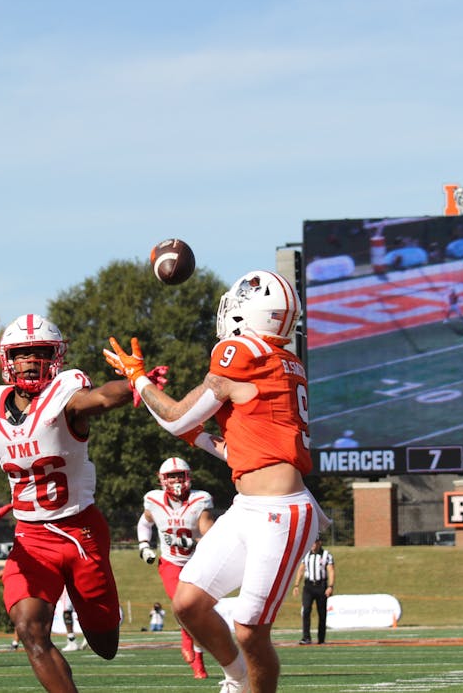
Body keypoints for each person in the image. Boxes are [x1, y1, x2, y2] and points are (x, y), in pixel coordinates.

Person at [105, 269, 327, 693]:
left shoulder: (241, 352)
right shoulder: (283, 360)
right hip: (248, 505)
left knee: (250, 631)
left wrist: (138, 379)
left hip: (282, 512)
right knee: (188, 603)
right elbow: (239, 449)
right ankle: (237, 679)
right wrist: (198, 436)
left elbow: (175, 417)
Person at [0, 313, 139, 693]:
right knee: (30, 629)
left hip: (80, 532)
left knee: (105, 646)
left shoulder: (66, 398)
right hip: (31, 540)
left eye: (41, 352)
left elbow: (103, 397)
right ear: (8, 359)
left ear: (56, 357)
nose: (31, 360)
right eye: (23, 353)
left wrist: (136, 382)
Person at [136, 456, 215, 679]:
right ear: (162, 479)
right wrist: (144, 546)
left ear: (188, 476)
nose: (176, 480)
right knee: (183, 605)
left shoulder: (200, 500)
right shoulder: (153, 500)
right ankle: (195, 658)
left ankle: (196, 653)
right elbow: (145, 522)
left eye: (179, 475)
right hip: (170, 562)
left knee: (196, 611)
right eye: (171, 476)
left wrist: (190, 542)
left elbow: (211, 536)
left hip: (196, 561)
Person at [292, 536, 335, 645]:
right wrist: (296, 585)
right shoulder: (306, 555)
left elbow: (330, 571)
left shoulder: (326, 555)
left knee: (322, 613)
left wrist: (330, 586)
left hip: (321, 586)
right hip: (309, 586)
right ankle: (306, 637)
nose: (313, 545)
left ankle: (321, 639)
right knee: (306, 611)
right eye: (311, 542)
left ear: (319, 542)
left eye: (315, 542)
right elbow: (301, 570)